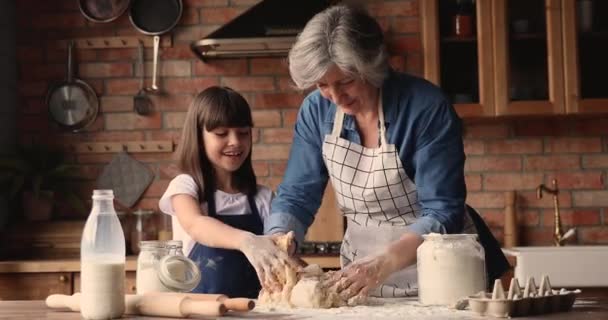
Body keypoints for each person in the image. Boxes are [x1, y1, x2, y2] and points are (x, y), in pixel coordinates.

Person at [264, 4, 510, 300]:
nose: (336, 97)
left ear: (372, 65)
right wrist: (279, 240)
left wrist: (386, 261)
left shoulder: (424, 107)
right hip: (361, 271)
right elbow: (297, 195)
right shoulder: (316, 111)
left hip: (442, 265)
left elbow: (443, 210)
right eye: (322, 85)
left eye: (346, 82)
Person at [158, 86, 297, 298]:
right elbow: (195, 224)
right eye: (221, 133)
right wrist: (246, 241)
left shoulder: (262, 197)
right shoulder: (186, 187)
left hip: (258, 312)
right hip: (201, 311)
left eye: (243, 133)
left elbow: (278, 256)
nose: (235, 142)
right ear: (198, 137)